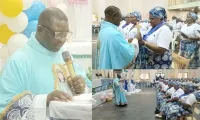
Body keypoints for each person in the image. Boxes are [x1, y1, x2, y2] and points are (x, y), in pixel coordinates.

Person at [0, 8, 92, 119]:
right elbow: (5, 108)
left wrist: (82, 88)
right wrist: (44, 100)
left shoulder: (64, 55)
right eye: (58, 34)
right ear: (40, 30)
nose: (62, 40)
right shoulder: (18, 61)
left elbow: (88, 88)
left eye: (65, 35)